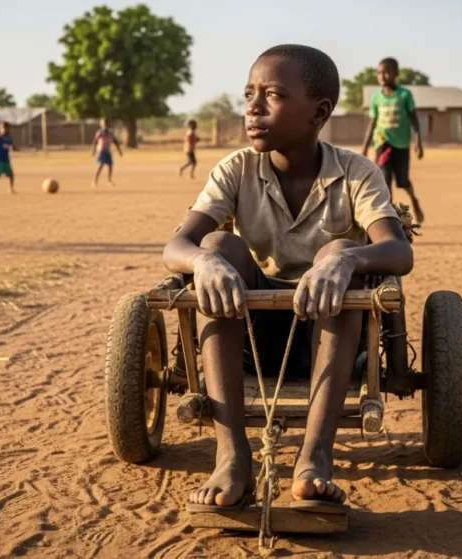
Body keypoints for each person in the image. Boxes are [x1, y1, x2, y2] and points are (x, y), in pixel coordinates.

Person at [163, 44, 413, 509]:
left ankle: (315, 457)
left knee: (341, 250)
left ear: (318, 112)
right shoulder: (237, 169)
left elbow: (399, 251)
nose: (253, 108)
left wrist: (344, 261)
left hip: (330, 337)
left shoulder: (357, 172)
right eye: (248, 95)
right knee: (218, 246)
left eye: (272, 95)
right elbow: (175, 246)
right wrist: (203, 263)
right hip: (253, 340)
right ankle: (232, 456)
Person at [362, 57, 425, 224]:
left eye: (387, 72)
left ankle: (414, 200)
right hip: (382, 143)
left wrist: (418, 142)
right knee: (384, 179)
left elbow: (414, 119)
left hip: (401, 144)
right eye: (379, 73)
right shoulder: (376, 97)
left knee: (402, 182)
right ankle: (390, 219)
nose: (382, 76)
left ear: (396, 73)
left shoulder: (404, 95)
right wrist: (365, 147)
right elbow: (372, 123)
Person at [91, 118, 122, 186]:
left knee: (110, 165)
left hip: (107, 151)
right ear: (101, 124)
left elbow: (115, 141)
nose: (105, 125)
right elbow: (95, 142)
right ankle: (95, 181)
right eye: (104, 123)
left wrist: (119, 150)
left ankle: (109, 180)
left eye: (106, 123)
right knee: (100, 166)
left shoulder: (110, 132)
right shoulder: (99, 133)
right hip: (101, 151)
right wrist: (94, 150)